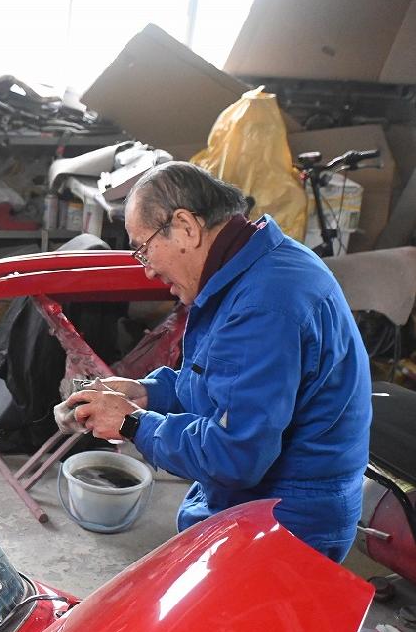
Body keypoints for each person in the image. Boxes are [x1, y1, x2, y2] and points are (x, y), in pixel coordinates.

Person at [54, 161, 371, 562]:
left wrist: (131, 422)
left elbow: (235, 457)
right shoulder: (255, 267)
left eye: (143, 249)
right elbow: (219, 385)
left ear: (186, 227)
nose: (147, 270)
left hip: (285, 521)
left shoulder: (263, 305)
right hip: (267, 500)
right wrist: (146, 393)